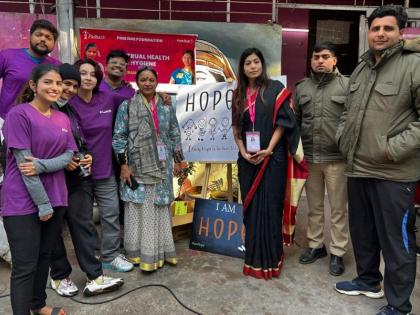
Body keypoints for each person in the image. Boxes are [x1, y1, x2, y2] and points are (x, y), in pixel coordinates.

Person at [334, 5, 420, 315]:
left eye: (388, 28)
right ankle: (368, 280)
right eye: (375, 28)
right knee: (363, 231)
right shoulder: (362, 67)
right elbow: (347, 111)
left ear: (401, 32)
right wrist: (344, 138)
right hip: (358, 166)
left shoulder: (414, 66)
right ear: (368, 33)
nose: (380, 33)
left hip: (394, 173)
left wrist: (391, 149)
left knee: (396, 241)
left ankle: (398, 304)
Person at [1, 64, 76, 315]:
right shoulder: (19, 114)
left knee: (44, 257)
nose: (55, 87)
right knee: (25, 265)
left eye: (58, 83)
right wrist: (42, 204)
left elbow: (69, 156)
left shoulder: (62, 117)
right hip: (22, 200)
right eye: (48, 82)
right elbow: (25, 167)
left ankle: (38, 305)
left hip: (57, 197)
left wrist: (43, 165)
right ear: (34, 85)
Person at [49, 63, 124, 297]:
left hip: (76, 179)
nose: (69, 89)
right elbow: (27, 150)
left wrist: (84, 156)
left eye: (72, 85)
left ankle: (95, 276)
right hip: (50, 181)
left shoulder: (68, 110)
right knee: (53, 230)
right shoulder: (32, 110)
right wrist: (64, 160)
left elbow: (77, 141)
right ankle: (60, 276)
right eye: (64, 83)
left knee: (83, 226)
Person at [232, 48, 303, 280]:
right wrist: (243, 152)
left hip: (272, 158)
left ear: (262, 64)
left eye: (256, 61)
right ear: (242, 68)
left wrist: (269, 149)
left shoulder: (276, 90)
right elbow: (236, 128)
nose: (253, 66)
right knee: (252, 211)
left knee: (271, 208)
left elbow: (284, 123)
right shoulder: (238, 94)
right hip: (248, 161)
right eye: (248, 63)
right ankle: (253, 259)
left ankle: (271, 260)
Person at [113, 66, 184, 271]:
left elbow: (174, 133)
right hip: (135, 168)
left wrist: (179, 159)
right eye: (143, 79)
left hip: (162, 166)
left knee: (159, 208)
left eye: (151, 79)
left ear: (156, 81)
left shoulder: (166, 106)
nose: (147, 83)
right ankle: (136, 255)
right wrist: (124, 165)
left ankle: (159, 253)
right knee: (137, 208)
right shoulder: (127, 107)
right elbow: (119, 137)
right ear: (137, 82)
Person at [68, 58, 134, 273]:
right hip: (78, 172)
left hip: (105, 169)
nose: (87, 78)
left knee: (111, 214)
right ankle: (91, 254)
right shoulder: (66, 102)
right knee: (84, 219)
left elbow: (137, 100)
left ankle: (110, 255)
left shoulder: (108, 98)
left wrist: (162, 97)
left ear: (98, 78)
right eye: (83, 73)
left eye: (92, 74)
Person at [294, 42, 349, 276]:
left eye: (325, 56)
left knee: (338, 209)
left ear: (334, 60)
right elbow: (295, 121)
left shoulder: (348, 85)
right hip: (310, 157)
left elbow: (354, 121)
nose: (320, 61)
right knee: (314, 207)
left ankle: (337, 252)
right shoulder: (302, 88)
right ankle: (316, 246)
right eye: (316, 57)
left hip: (337, 158)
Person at [0, 19, 61, 119]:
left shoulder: (58, 66)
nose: (43, 39)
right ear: (30, 36)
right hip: (6, 119)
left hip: (41, 123)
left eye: (48, 37)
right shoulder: (7, 56)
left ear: (54, 43)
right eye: (39, 35)